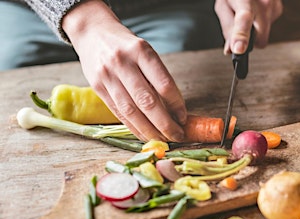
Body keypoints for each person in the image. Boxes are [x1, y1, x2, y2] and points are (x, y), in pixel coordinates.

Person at [0, 0, 283, 142]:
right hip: (29, 10)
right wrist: (84, 19)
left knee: (169, 77)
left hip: (165, 9)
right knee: (12, 63)